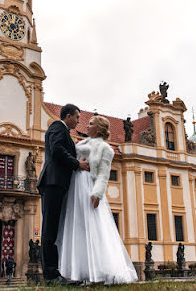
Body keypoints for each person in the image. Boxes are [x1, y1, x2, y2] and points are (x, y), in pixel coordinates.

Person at [57, 115, 138, 284]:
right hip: (74, 185)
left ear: (99, 129)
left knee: (93, 227)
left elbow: (103, 173)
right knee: (76, 225)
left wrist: (98, 193)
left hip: (88, 186)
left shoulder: (105, 148)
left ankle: (102, 270)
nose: (86, 126)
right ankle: (77, 271)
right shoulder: (80, 144)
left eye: (91, 124)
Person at [37, 103, 89, 285]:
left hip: (58, 184)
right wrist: (77, 164)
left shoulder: (64, 130)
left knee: (54, 229)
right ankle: (50, 275)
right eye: (77, 117)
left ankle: (55, 271)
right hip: (52, 182)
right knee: (49, 229)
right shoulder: (57, 127)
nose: (78, 121)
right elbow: (57, 150)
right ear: (68, 116)